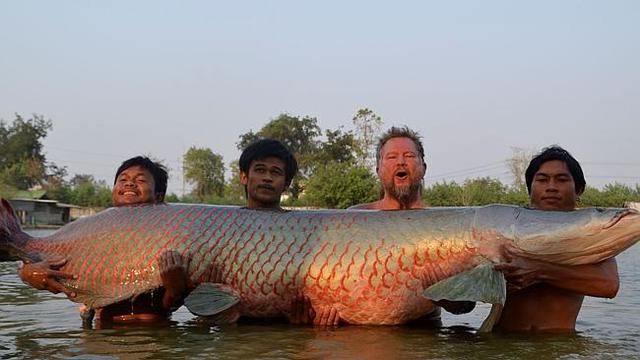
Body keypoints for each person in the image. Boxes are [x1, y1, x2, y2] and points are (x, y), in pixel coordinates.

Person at [18, 156, 189, 326]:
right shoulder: (88, 232)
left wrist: (174, 287)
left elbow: (172, 305)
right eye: (123, 179)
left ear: (158, 196)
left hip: (155, 335)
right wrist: (26, 273)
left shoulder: (169, 237)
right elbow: (39, 257)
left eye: (141, 180)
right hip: (101, 338)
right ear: (113, 191)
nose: (129, 183)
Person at [350, 126, 475, 324]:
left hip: (423, 333)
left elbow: (466, 306)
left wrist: (445, 293)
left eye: (409, 155)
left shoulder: (445, 226)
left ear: (423, 168)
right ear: (379, 170)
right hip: (361, 337)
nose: (401, 161)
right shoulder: (355, 218)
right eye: (391, 157)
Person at [495, 146, 619, 332]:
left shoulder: (589, 236)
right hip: (501, 342)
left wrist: (540, 271)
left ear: (578, 189)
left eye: (561, 179)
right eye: (542, 180)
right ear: (530, 188)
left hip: (559, 346)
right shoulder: (505, 228)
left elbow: (608, 286)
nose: (551, 187)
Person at [239, 139, 298, 211]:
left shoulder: (299, 221)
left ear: (287, 184)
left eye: (275, 172)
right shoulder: (227, 219)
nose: (267, 178)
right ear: (244, 177)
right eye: (260, 170)